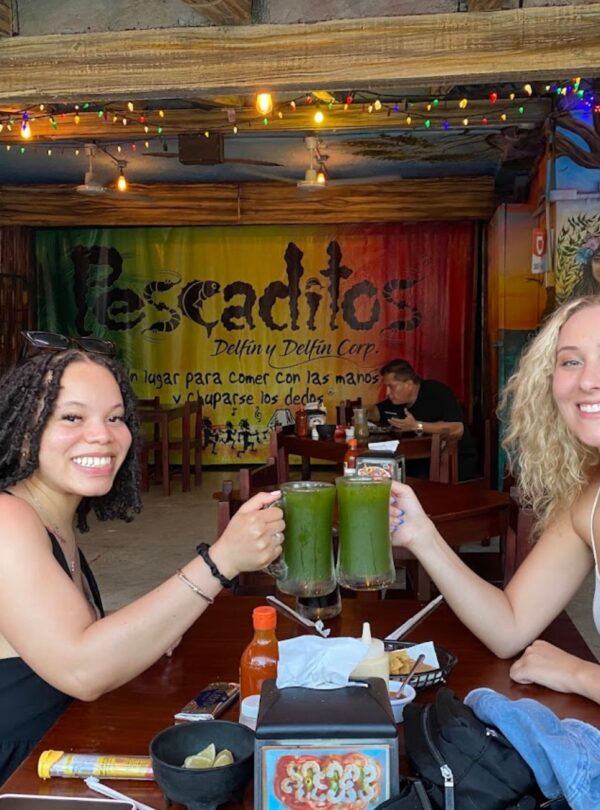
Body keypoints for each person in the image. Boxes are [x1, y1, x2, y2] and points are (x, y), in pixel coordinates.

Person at [0, 334, 285, 783]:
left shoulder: (52, 520)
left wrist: (150, 632)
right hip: (18, 777)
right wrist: (218, 562)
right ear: (22, 431)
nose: (102, 434)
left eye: (115, 417)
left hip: (54, 750)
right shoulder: (6, 519)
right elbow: (82, 668)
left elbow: (78, 638)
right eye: (72, 416)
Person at [389, 295, 600, 704]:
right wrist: (423, 537)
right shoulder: (586, 499)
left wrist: (580, 673)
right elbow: (510, 626)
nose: (589, 379)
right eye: (571, 361)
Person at [368, 358, 477, 480]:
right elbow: (376, 411)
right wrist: (361, 414)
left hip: (454, 464)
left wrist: (416, 426)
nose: (387, 392)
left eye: (391, 387)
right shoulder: (396, 402)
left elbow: (457, 429)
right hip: (418, 463)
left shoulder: (436, 392)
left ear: (409, 384)